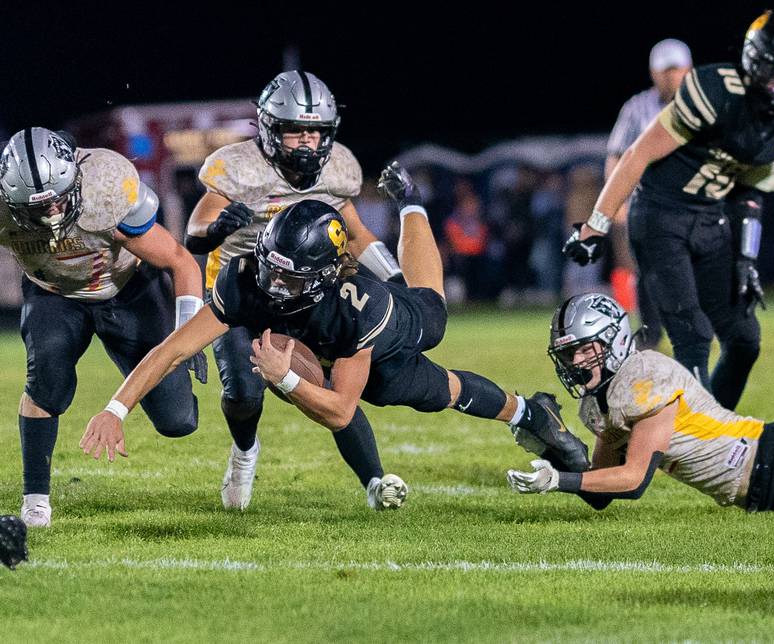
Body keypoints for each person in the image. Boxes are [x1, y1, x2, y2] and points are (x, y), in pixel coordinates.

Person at [80, 164, 591, 511]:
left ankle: (413, 205)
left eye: (291, 277)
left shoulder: (353, 307)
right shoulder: (246, 278)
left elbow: (341, 410)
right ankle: (530, 413)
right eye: (271, 268)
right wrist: (115, 408)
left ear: (324, 275)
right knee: (429, 392)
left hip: (389, 328)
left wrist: (288, 381)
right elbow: (173, 350)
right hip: (322, 338)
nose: (274, 285)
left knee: (427, 334)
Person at [183, 70, 403, 510]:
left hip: (310, 293)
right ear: (267, 128)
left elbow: (355, 234)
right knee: (244, 392)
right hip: (245, 292)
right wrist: (215, 230)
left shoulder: (339, 166)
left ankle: (375, 482)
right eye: (293, 131)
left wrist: (397, 279)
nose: (305, 141)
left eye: (314, 131)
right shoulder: (238, 167)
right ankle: (245, 450)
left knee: (334, 384)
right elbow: (194, 232)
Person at [564, 8, 774, 411]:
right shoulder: (714, 90)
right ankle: (692, 436)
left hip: (711, 221)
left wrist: (745, 258)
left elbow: (750, 194)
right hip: (660, 215)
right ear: (756, 62)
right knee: (693, 335)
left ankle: (712, 430)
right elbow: (635, 156)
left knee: (745, 338)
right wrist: (595, 226)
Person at [0, 127, 206, 528]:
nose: (51, 215)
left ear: (75, 178)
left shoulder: (107, 186)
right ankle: (36, 498)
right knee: (46, 383)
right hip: (54, 294)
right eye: (35, 208)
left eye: (57, 200)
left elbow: (179, 260)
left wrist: (188, 332)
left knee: (178, 421)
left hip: (127, 289)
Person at [507, 292, 774, 512]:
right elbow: (600, 491)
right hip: (767, 486)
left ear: (614, 340)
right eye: (569, 354)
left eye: (584, 348)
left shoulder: (644, 376)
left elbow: (634, 480)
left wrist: (559, 480)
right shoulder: (598, 402)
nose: (576, 361)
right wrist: (552, 451)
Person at [605, 38, 693, 346]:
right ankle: (651, 333)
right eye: (665, 70)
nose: (671, 76)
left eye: (676, 69)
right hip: (648, 204)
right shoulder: (637, 108)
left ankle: (693, 329)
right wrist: (614, 203)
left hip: (693, 204)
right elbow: (616, 155)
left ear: (688, 70)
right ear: (653, 73)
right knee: (648, 272)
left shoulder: (703, 103)